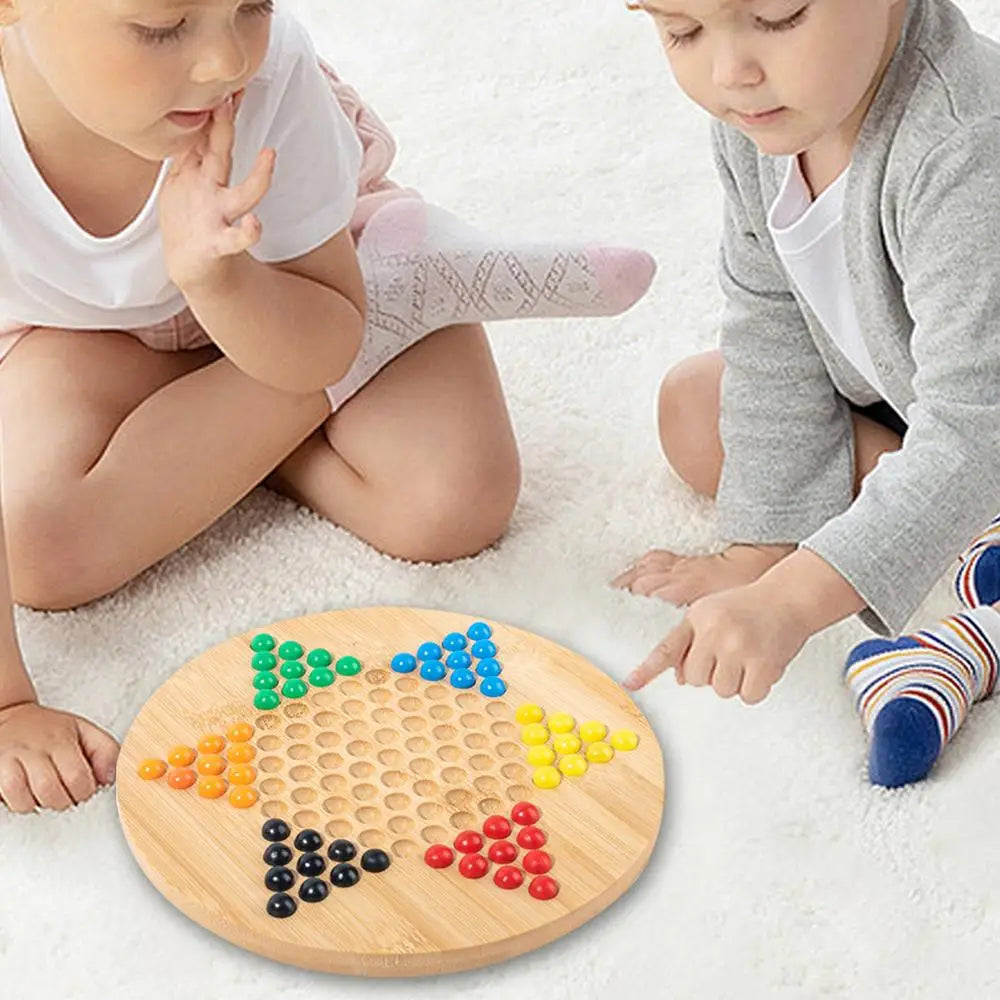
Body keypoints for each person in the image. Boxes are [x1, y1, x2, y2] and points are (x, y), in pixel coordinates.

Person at [0, 0, 656, 813]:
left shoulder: (269, 79)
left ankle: (392, 278)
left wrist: (218, 280)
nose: (223, 62)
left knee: (449, 505)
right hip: (85, 331)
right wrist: (7, 703)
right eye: (162, 27)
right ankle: (411, 294)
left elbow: (318, 344)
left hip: (295, 284)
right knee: (41, 550)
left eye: (253, 7)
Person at [615, 0, 1000, 788]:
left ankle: (963, 578)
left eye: (779, 16)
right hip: (924, 395)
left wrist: (791, 601)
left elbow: (977, 426)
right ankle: (966, 535)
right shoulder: (762, 115)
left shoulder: (962, 143)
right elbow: (771, 314)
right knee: (696, 407)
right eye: (681, 31)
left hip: (980, 413)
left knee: (956, 467)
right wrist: (763, 547)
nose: (729, 72)